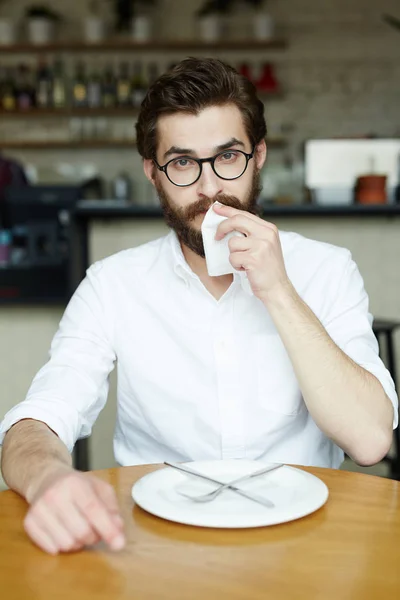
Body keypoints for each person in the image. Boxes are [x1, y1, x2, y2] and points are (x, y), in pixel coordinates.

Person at [0, 58, 398, 556]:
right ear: (153, 173)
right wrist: (49, 479)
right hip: (155, 546)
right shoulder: (113, 285)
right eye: (183, 163)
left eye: (228, 157)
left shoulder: (328, 270)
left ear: (258, 157)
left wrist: (278, 290)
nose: (210, 189)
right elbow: (38, 420)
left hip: (304, 542)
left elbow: (369, 441)